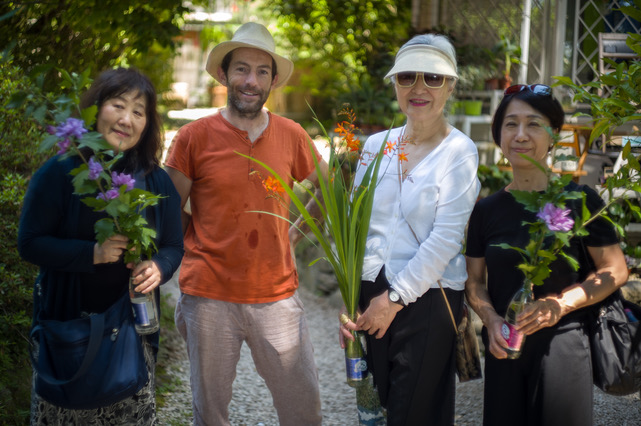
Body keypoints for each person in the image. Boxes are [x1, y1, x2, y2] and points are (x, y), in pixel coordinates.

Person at [164, 22, 324, 426]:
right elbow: (167, 207)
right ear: (224, 74)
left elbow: (331, 191)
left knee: (304, 411)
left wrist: (295, 234)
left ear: (272, 80)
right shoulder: (192, 137)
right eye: (242, 69)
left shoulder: (292, 135)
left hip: (277, 295)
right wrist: (199, 239)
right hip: (208, 297)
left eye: (262, 71)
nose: (251, 81)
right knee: (210, 414)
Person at [18, 67, 185, 424]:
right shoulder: (62, 172)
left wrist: (158, 267)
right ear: (96, 109)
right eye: (118, 105)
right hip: (66, 334)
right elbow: (30, 244)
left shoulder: (156, 181)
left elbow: (173, 245)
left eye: (139, 112)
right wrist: (92, 254)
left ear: (147, 124)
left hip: (130, 334)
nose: (127, 119)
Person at [464, 84, 629, 425]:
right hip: (504, 346)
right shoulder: (486, 211)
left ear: (554, 134)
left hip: (563, 345)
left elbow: (615, 269)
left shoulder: (581, 201)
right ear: (499, 135)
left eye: (533, 124)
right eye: (510, 124)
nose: (520, 135)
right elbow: (475, 282)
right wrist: (491, 319)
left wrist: (559, 304)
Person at [340, 33, 480, 425]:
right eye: (407, 77)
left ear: (450, 85)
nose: (418, 88)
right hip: (370, 291)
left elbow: (446, 238)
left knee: (413, 411)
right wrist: (349, 298)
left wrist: (394, 300)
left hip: (427, 299)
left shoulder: (459, 152)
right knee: (377, 404)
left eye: (433, 78)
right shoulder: (375, 146)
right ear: (395, 84)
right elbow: (356, 227)